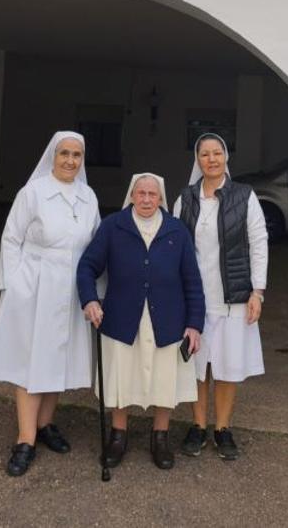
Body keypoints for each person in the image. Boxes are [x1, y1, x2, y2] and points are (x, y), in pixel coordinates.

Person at [0, 131, 100, 477]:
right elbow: (11, 238)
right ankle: (25, 439)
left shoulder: (87, 196)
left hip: (70, 289)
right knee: (30, 362)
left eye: (77, 155)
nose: (70, 160)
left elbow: (94, 245)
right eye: (64, 153)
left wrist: (94, 290)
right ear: (53, 155)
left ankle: (46, 425)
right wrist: (15, 286)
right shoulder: (32, 192)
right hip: (34, 287)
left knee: (56, 358)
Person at [77, 173, 204, 470]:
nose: (147, 199)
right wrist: (90, 299)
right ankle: (118, 434)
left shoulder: (176, 230)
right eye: (141, 193)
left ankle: (160, 436)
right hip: (122, 316)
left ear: (161, 198)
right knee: (120, 376)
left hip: (167, 318)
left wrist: (194, 323)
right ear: (132, 195)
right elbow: (87, 266)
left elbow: (192, 281)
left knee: (164, 378)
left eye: (153, 194)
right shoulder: (113, 226)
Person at [173, 133, 268, 461]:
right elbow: (174, 245)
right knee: (197, 366)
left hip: (234, 298)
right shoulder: (186, 198)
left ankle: (222, 428)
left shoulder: (244, 196)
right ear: (197, 160)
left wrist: (258, 291)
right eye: (205, 154)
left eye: (217, 153)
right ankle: (198, 426)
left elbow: (259, 241)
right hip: (196, 299)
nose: (211, 159)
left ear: (226, 157)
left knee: (227, 367)